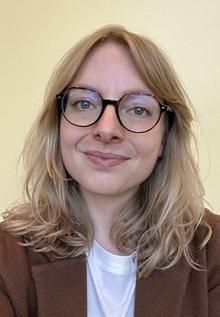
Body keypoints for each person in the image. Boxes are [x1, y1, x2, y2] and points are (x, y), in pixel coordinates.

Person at [0, 24, 219, 317]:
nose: (106, 129)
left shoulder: (213, 250)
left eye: (138, 109)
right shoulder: (6, 254)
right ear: (58, 125)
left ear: (166, 136)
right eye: (85, 103)